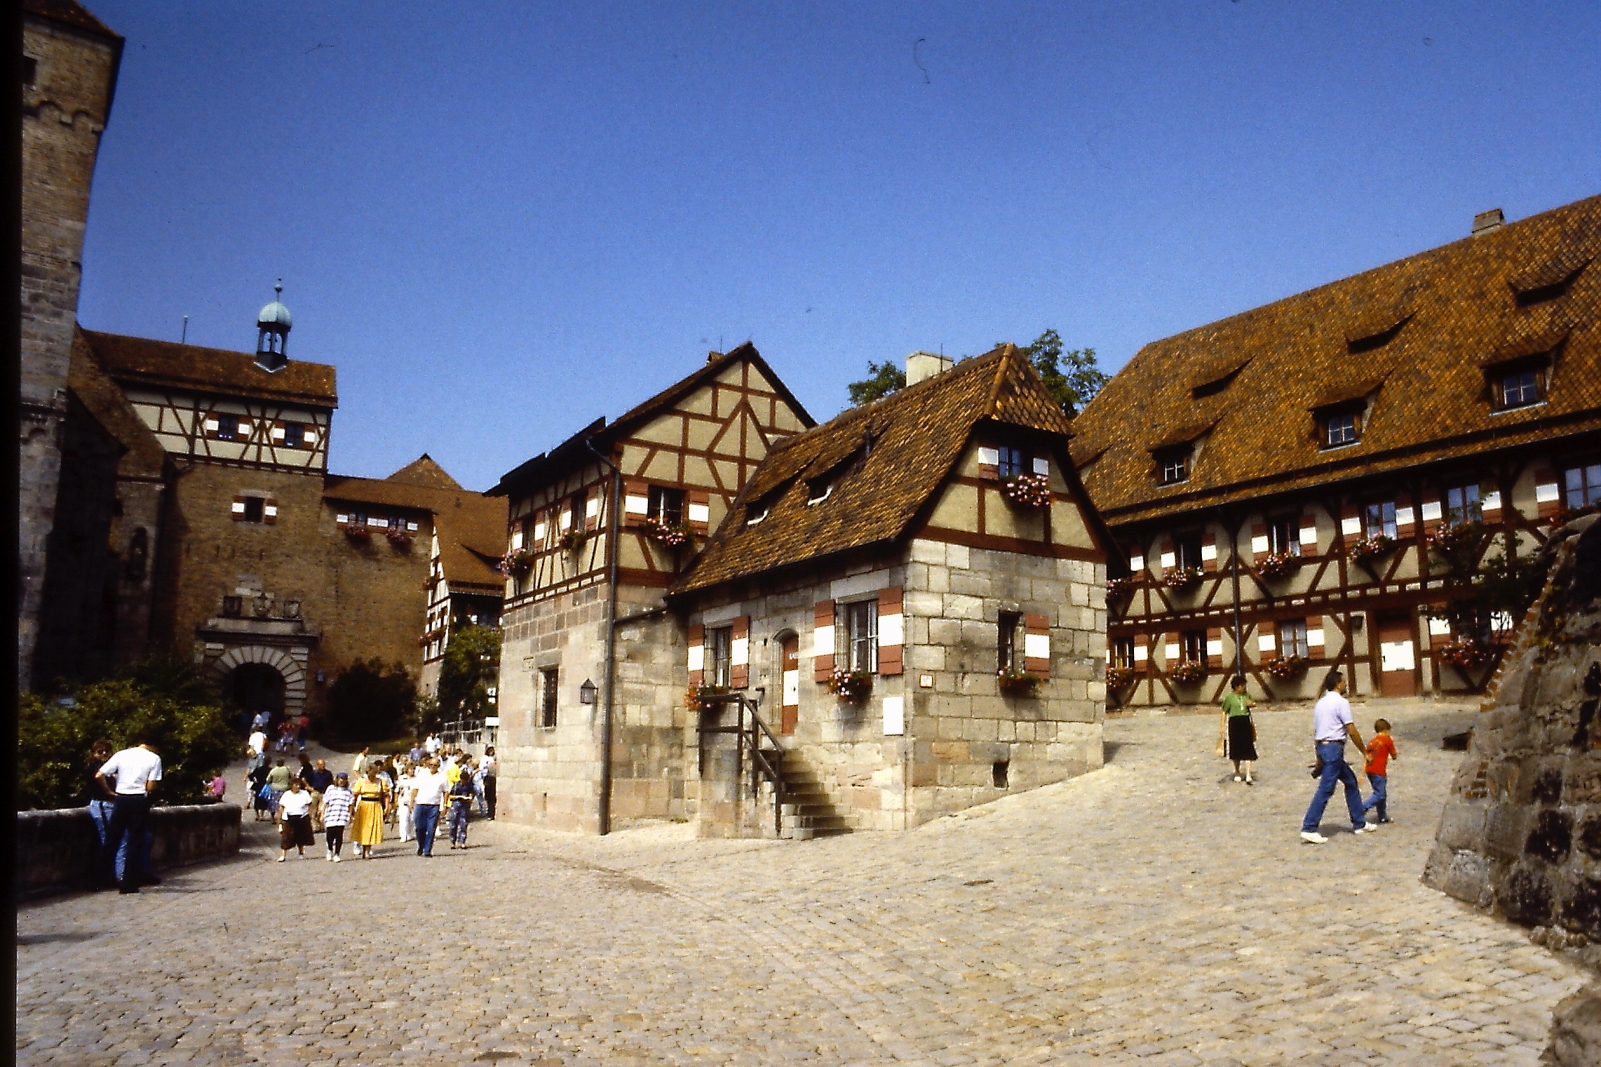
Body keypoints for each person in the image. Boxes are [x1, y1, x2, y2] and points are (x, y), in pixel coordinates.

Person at [1300, 671, 1373, 844]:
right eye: (1344, 682)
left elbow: (1318, 731)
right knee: (1326, 789)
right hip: (1334, 749)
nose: (1345, 684)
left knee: (1351, 782)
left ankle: (1359, 822)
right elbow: (1351, 729)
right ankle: (1309, 827)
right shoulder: (1341, 703)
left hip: (1324, 747)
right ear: (1338, 684)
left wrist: (1318, 756)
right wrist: (1364, 751)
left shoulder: (1320, 704)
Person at [95, 735, 163, 893]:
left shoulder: (122, 754)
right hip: (138, 799)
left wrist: (109, 791)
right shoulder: (154, 758)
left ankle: (98, 879)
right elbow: (151, 785)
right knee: (135, 841)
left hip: (121, 799)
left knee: (111, 839)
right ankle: (128, 883)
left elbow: (99, 775)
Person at [1218, 675, 1258, 785]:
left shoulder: (1246, 695)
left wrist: (1251, 704)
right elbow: (1224, 711)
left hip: (1245, 721)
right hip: (1234, 723)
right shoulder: (1229, 697)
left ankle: (1248, 774)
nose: (1244, 687)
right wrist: (1222, 725)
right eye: (1242, 685)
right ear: (1236, 686)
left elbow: (1254, 703)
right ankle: (1237, 772)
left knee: (1248, 747)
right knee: (1236, 748)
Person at [348, 764, 390, 860]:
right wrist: (352, 808)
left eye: (374, 774)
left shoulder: (380, 782)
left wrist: (386, 807)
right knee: (364, 828)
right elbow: (354, 796)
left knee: (372, 828)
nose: (372, 777)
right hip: (364, 806)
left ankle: (367, 849)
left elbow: (386, 795)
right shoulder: (361, 782)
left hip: (375, 806)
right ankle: (364, 849)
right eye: (370, 775)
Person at [1363, 718, 1399, 826]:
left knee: (1381, 793)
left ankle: (1382, 816)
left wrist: (1362, 773)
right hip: (1379, 771)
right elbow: (1394, 755)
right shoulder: (1387, 740)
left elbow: (1367, 757)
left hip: (1370, 770)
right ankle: (1362, 808)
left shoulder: (1371, 742)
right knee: (1379, 794)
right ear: (1386, 730)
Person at [410, 757, 446, 857]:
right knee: (419, 828)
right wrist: (411, 801)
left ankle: (427, 850)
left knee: (431, 829)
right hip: (420, 803)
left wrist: (444, 805)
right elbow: (415, 788)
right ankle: (421, 845)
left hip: (434, 805)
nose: (432, 767)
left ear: (438, 766)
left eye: (435, 765)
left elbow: (446, 791)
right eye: (431, 765)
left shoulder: (442, 776)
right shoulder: (422, 774)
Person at [276, 778, 315, 861]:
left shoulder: (304, 793)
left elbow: (310, 804)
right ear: (291, 786)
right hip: (288, 818)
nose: (298, 786)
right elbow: (281, 807)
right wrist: (279, 820)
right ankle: (283, 855)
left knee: (300, 836)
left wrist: (310, 814)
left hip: (301, 817)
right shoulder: (286, 794)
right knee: (286, 837)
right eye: (296, 785)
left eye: (299, 785)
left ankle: (301, 853)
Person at [321, 773, 354, 861]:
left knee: (339, 835)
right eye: (340, 779)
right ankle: (330, 849)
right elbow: (325, 801)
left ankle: (337, 854)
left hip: (342, 814)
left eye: (343, 779)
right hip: (331, 814)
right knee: (330, 835)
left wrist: (350, 815)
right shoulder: (331, 789)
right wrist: (322, 813)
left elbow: (350, 804)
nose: (341, 781)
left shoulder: (348, 791)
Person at [446, 764, 475, 848]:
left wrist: (470, 798)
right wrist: (459, 797)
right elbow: (450, 796)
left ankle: (462, 841)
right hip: (456, 805)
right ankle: (452, 841)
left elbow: (471, 793)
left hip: (464, 806)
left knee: (463, 824)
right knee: (453, 824)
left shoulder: (469, 786)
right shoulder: (456, 786)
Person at [305, 759, 334, 831]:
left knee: (321, 810)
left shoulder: (328, 773)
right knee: (313, 811)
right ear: (317, 765)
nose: (323, 766)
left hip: (324, 793)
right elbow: (304, 779)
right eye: (321, 764)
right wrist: (308, 787)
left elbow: (331, 782)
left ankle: (321, 826)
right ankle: (315, 826)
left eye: (323, 764)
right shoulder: (313, 773)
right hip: (315, 792)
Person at [395, 759, 417, 843]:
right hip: (404, 800)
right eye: (411, 769)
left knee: (412, 819)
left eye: (414, 769)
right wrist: (396, 800)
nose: (412, 771)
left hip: (414, 800)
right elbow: (397, 790)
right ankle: (403, 835)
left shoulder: (417, 779)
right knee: (404, 818)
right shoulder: (402, 778)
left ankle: (409, 833)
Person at [481, 746, 497, 819]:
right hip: (487, 777)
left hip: (493, 777)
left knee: (492, 797)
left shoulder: (493, 758)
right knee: (488, 796)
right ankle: (489, 813)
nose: (492, 752)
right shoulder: (484, 758)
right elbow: (482, 767)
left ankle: (491, 813)